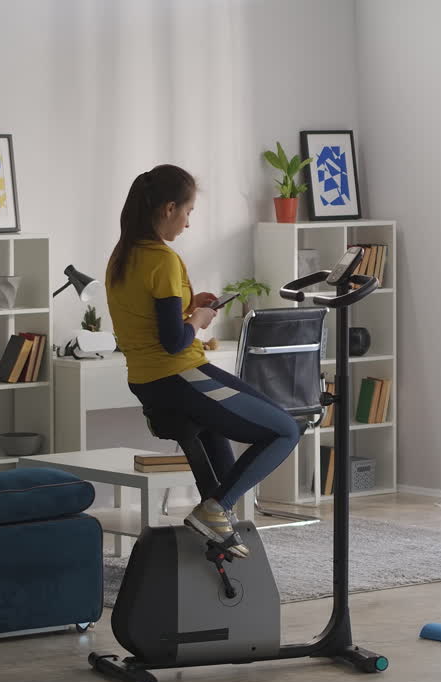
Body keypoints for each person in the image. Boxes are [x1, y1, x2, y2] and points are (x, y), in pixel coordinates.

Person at [104, 164, 298, 557]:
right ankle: (214, 510)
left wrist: (189, 305)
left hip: (146, 381)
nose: (188, 223)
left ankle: (217, 525)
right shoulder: (163, 259)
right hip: (179, 375)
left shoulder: (123, 256)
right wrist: (198, 320)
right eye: (188, 212)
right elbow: (175, 341)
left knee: (223, 468)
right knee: (285, 430)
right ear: (169, 208)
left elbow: (149, 319)